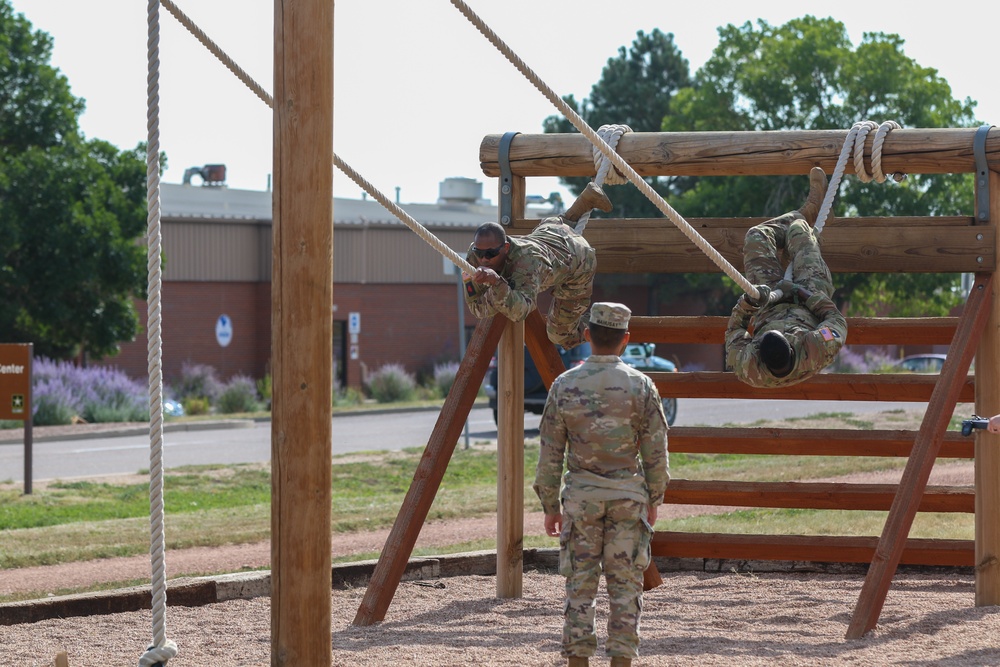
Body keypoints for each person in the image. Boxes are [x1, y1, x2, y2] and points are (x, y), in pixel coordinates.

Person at [534, 302, 670, 667]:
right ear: (625, 340)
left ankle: (578, 661)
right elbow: (656, 451)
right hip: (628, 498)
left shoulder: (565, 385)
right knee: (625, 588)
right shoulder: (641, 386)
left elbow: (550, 452)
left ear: (588, 335)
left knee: (580, 587)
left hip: (581, 501)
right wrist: (654, 499)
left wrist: (550, 506)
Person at [725, 167, 848, 387]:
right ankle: (805, 217)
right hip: (809, 297)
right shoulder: (816, 348)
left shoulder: (749, 366)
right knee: (798, 231)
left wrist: (748, 304)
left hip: (769, 305)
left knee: (757, 236)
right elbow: (837, 321)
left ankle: (807, 213)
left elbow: (734, 331)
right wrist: (802, 294)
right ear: (793, 346)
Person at [463, 183, 613, 350]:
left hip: (578, 261)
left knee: (559, 334)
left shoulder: (527, 263)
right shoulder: (474, 254)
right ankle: (586, 200)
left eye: (490, 254)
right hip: (550, 231)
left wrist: (496, 283)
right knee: (552, 226)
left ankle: (607, 328)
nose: (484, 259)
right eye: (480, 253)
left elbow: (520, 311)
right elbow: (477, 308)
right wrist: (481, 286)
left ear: (505, 248)